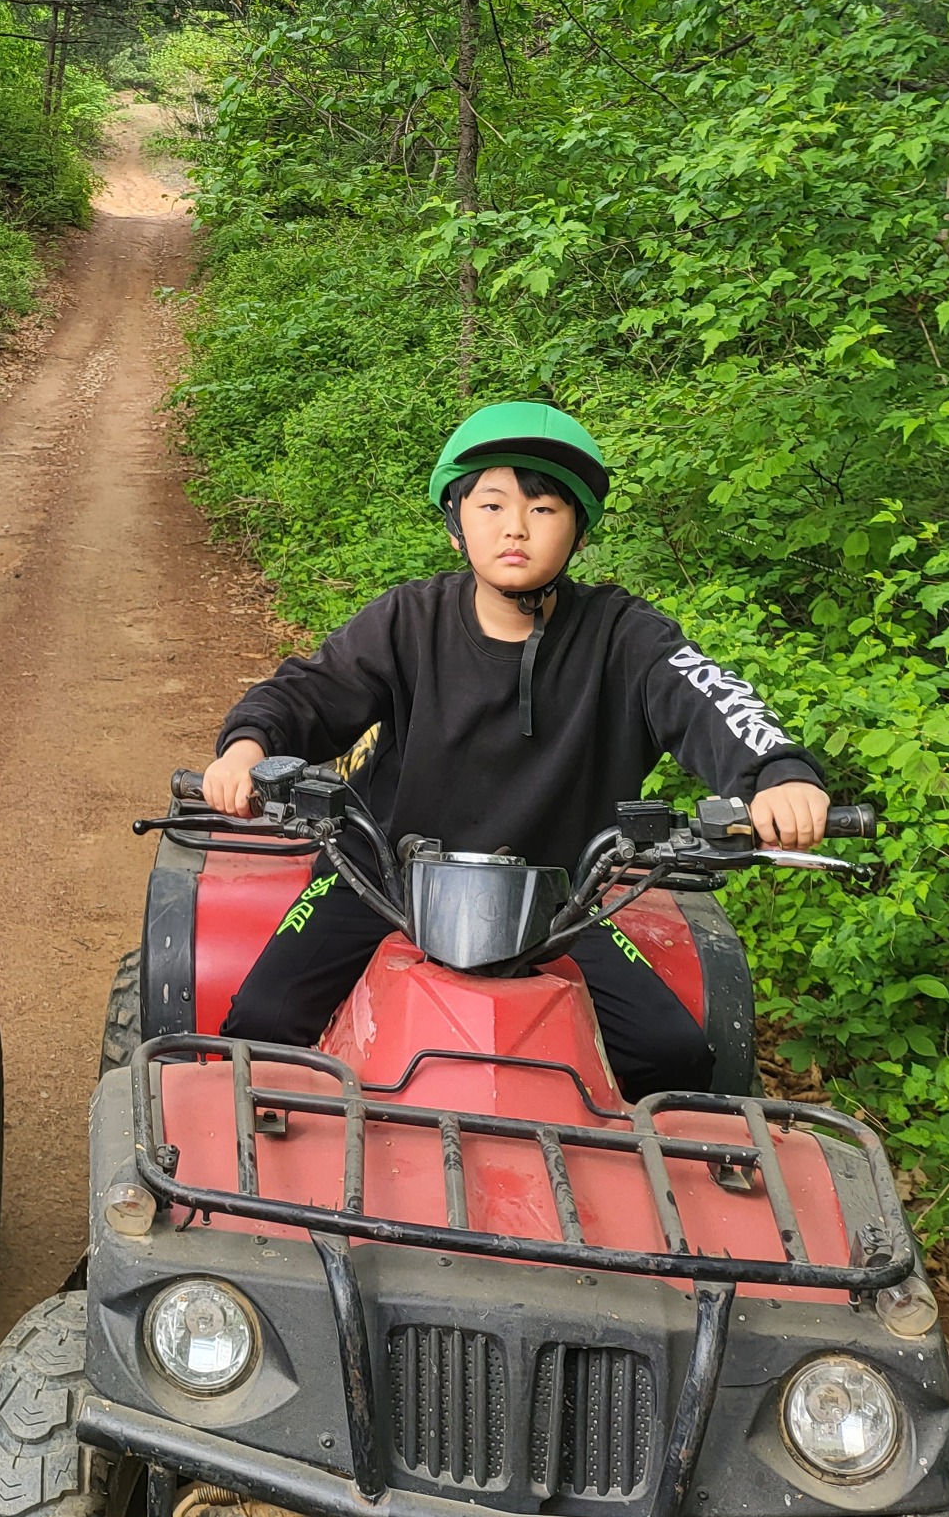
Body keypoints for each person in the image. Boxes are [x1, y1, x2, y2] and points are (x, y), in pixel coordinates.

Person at [201, 401, 832, 1101]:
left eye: (543, 508)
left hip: (558, 899)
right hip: (384, 876)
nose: (516, 527)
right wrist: (248, 747)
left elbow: (713, 699)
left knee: (673, 1056)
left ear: (579, 531)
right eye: (492, 504)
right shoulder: (409, 620)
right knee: (262, 1023)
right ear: (456, 524)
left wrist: (778, 774)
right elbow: (309, 692)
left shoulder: (626, 638)